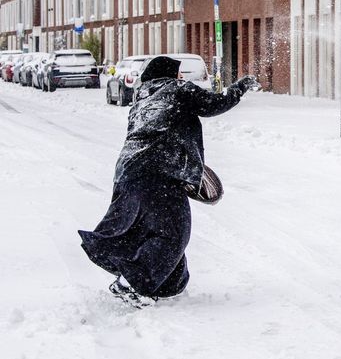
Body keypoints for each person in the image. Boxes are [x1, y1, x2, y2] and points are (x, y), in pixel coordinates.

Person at [79, 56, 259, 306]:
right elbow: (215, 104)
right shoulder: (176, 89)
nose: (182, 78)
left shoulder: (142, 96)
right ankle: (132, 283)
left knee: (145, 229)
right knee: (173, 233)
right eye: (179, 73)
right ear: (168, 74)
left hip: (128, 175)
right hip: (158, 175)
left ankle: (166, 285)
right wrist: (241, 86)